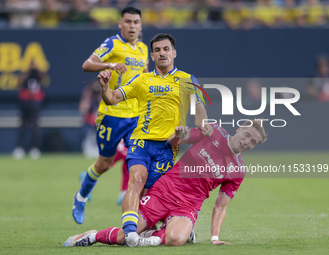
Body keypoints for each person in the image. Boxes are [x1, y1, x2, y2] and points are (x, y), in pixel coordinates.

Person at [63, 119, 267, 247]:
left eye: (253, 142)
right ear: (240, 128)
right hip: (164, 192)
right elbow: (174, 141)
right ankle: (92, 236)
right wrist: (179, 135)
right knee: (125, 236)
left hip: (188, 205)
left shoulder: (238, 171)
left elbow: (220, 206)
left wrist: (214, 238)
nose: (247, 142)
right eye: (247, 135)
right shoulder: (212, 131)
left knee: (176, 240)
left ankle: (161, 234)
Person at [95, 33, 212, 247]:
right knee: (136, 180)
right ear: (152, 55)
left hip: (167, 147)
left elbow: (201, 121)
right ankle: (130, 233)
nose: (162, 53)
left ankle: (160, 229)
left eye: (166, 49)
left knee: (152, 198)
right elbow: (112, 98)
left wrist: (192, 134)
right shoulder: (142, 79)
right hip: (141, 142)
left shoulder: (188, 80)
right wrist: (104, 86)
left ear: (174, 53)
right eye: (157, 50)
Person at [72, 7, 149, 224]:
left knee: (138, 167)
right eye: (128, 22)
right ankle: (81, 196)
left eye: (136, 22)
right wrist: (109, 64)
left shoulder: (143, 50)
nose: (132, 26)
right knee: (104, 164)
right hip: (111, 115)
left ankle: (138, 220)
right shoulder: (112, 44)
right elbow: (87, 65)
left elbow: (142, 79)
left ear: (141, 25)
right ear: (120, 24)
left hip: (135, 117)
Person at [12, 61, 48, 159]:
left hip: (35, 104)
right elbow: (18, 82)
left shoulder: (38, 75)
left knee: (35, 127)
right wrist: (28, 71)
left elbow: (44, 79)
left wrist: (37, 69)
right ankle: (19, 148)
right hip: (25, 103)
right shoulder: (26, 75)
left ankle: (34, 148)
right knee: (22, 127)